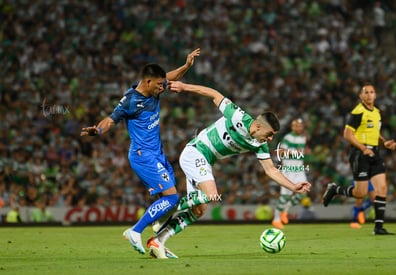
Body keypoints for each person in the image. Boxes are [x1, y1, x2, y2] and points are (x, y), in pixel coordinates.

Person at [146, 81, 312, 259]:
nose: (271, 139)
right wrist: (184, 86)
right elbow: (214, 94)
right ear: (257, 126)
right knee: (211, 195)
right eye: (269, 133)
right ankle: (164, 210)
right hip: (196, 152)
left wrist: (293, 186)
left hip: (205, 161)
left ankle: (158, 241)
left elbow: (271, 170)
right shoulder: (238, 116)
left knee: (199, 210)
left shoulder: (260, 144)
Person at [80, 48, 200, 255]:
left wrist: (186, 66)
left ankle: (157, 232)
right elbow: (111, 119)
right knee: (171, 198)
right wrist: (98, 129)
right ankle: (135, 232)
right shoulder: (130, 101)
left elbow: (170, 76)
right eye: (160, 84)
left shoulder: (156, 88)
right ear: (147, 82)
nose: (163, 87)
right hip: (142, 155)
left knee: (172, 199)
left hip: (157, 154)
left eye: (163, 83)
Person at [323, 83, 396, 235]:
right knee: (360, 193)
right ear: (361, 96)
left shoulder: (376, 112)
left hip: (374, 154)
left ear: (375, 95)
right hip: (359, 154)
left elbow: (374, 131)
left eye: (372, 92)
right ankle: (335, 189)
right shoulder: (358, 111)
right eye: (366, 92)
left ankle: (378, 227)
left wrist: (385, 142)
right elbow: (347, 134)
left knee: (382, 188)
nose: (369, 95)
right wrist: (363, 149)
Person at [272, 118, 310, 229]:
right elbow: (281, 152)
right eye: (296, 126)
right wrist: (295, 153)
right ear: (292, 127)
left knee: (303, 192)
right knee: (285, 196)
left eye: (300, 126)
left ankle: (285, 210)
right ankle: (276, 219)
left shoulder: (303, 138)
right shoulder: (288, 137)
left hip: (299, 170)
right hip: (288, 170)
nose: (299, 128)